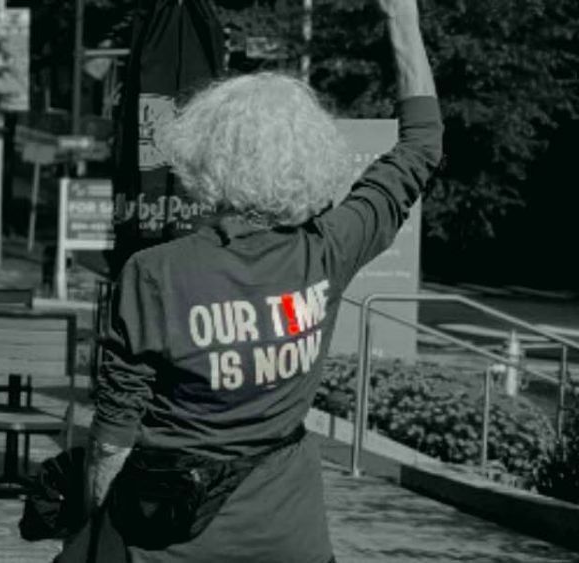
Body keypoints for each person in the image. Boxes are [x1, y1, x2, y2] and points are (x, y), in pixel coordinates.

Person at [77, 0, 440, 561]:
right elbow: (420, 147)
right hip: (291, 538)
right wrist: (402, 21)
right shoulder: (327, 250)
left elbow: (111, 444)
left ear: (201, 154)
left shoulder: (154, 273)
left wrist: (97, 529)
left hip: (169, 541)